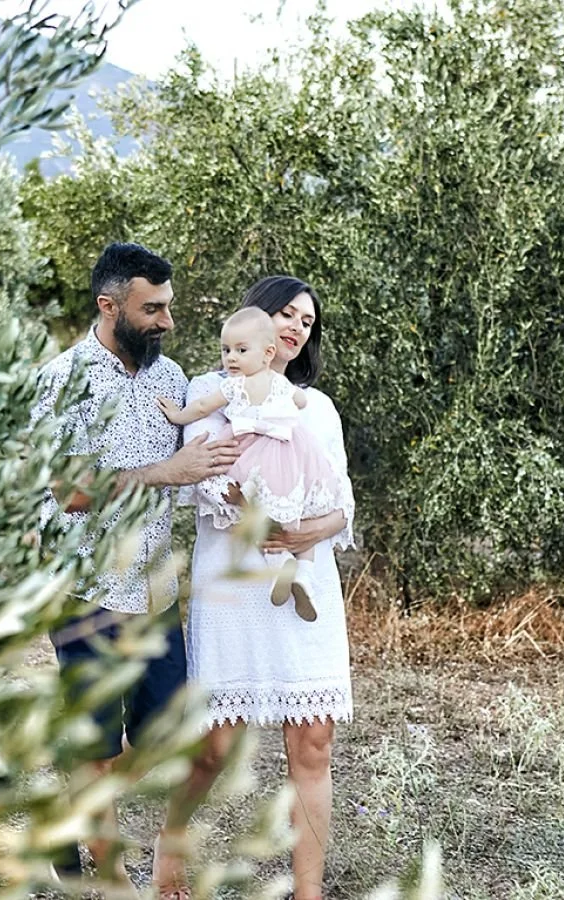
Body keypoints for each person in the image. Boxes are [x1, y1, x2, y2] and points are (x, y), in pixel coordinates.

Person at [28, 242, 241, 895]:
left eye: (169, 308)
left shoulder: (170, 379)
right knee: (95, 746)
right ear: (109, 305)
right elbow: (68, 489)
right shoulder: (61, 379)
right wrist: (163, 473)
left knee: (164, 740)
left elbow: (192, 475)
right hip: (86, 592)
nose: (167, 322)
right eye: (153, 309)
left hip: (153, 594)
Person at [176, 276, 355, 900]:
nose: (296, 328)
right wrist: (250, 505)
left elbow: (343, 507)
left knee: (313, 742)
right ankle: (171, 851)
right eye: (286, 313)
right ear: (254, 315)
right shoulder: (210, 390)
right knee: (214, 746)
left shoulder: (317, 407)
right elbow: (196, 482)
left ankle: (309, 895)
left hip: (304, 582)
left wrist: (310, 532)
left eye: (307, 322)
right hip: (232, 586)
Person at [156, 307, 345, 622]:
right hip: (292, 455)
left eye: (241, 351)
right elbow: (301, 403)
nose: (231, 358)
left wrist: (177, 415)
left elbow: (202, 407)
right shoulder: (281, 385)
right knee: (296, 512)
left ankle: (282, 565)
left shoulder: (235, 386)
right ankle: (304, 574)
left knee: (262, 513)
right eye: (226, 350)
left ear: (267, 353)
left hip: (253, 455)